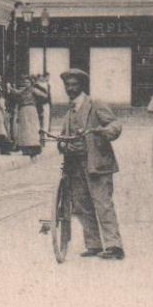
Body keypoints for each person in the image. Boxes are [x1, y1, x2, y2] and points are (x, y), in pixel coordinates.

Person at [56, 69, 125, 260]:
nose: (70, 89)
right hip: (75, 165)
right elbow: (62, 137)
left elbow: (114, 125)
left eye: (74, 85)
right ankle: (94, 244)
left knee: (102, 203)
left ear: (82, 86)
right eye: (67, 86)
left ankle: (114, 245)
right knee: (81, 205)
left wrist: (105, 131)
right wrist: (62, 143)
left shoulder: (95, 105)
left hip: (97, 163)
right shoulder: (69, 111)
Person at [13, 75, 48, 158]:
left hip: (31, 110)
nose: (26, 84)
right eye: (25, 82)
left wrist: (37, 100)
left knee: (32, 129)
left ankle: (34, 148)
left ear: (31, 83)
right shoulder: (23, 91)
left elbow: (44, 95)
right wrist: (10, 87)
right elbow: (16, 92)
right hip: (23, 111)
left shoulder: (33, 90)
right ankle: (26, 149)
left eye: (28, 82)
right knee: (25, 130)